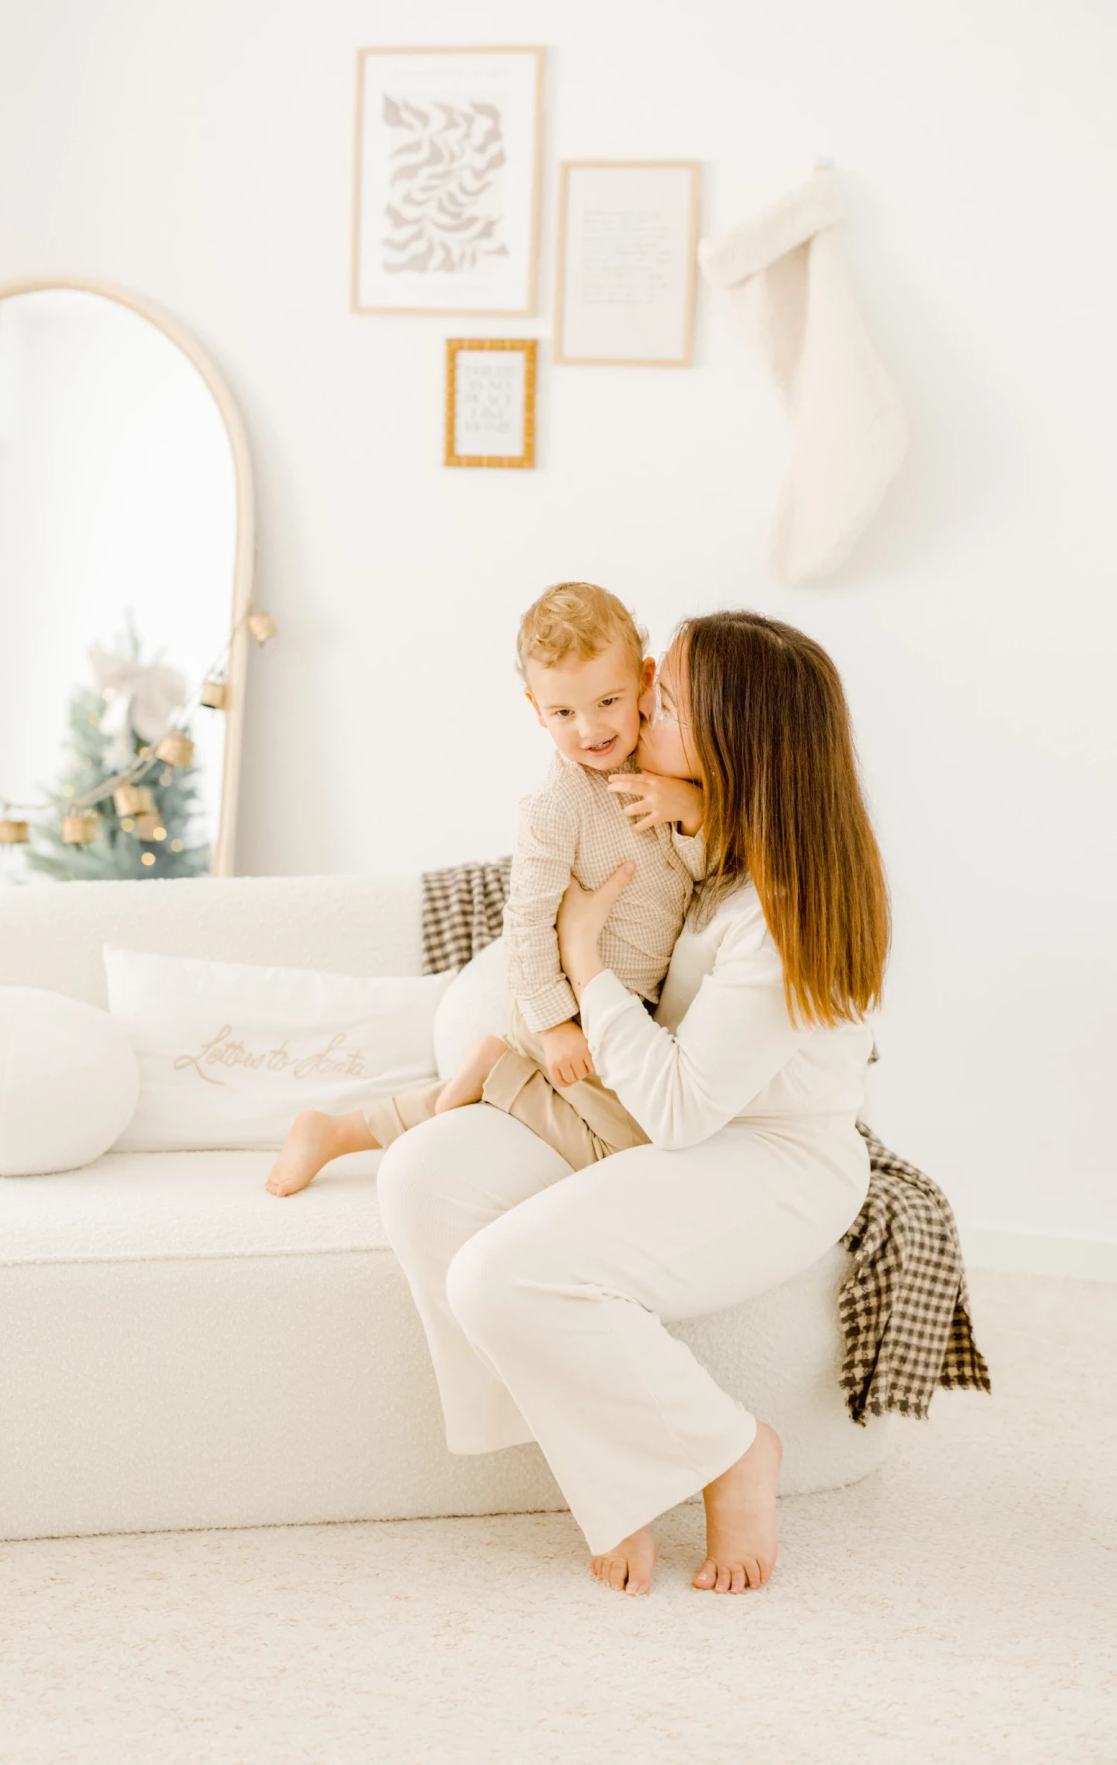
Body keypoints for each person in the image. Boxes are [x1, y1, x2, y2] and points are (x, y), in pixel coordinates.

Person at [373, 611, 889, 1596]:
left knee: (498, 1278)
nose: (634, 711)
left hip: (764, 1156)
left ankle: (731, 1451)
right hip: (670, 1117)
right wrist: (680, 802)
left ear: (726, 742)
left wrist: (580, 961)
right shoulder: (713, 832)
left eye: (658, 701)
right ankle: (590, 1458)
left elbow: (682, 1113)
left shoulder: (779, 909)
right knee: (422, 1178)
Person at [265, 582, 706, 1197]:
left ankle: (337, 1131)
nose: (590, 729)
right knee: (633, 1145)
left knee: (624, 1125)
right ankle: (500, 1066)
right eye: (563, 714)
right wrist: (554, 1026)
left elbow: (701, 871)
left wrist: (691, 810)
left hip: (625, 1008)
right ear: (536, 708)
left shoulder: (661, 764)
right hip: (574, 1006)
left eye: (608, 700)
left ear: (645, 680)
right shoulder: (557, 805)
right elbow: (525, 922)